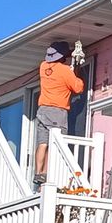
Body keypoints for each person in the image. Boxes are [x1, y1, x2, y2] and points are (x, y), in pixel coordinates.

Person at [34, 43, 85, 181]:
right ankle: (49, 173)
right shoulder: (64, 71)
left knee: (43, 143)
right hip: (57, 111)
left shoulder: (43, 66)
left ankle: (39, 173)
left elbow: (57, 67)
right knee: (55, 142)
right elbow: (78, 87)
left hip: (42, 109)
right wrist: (77, 67)